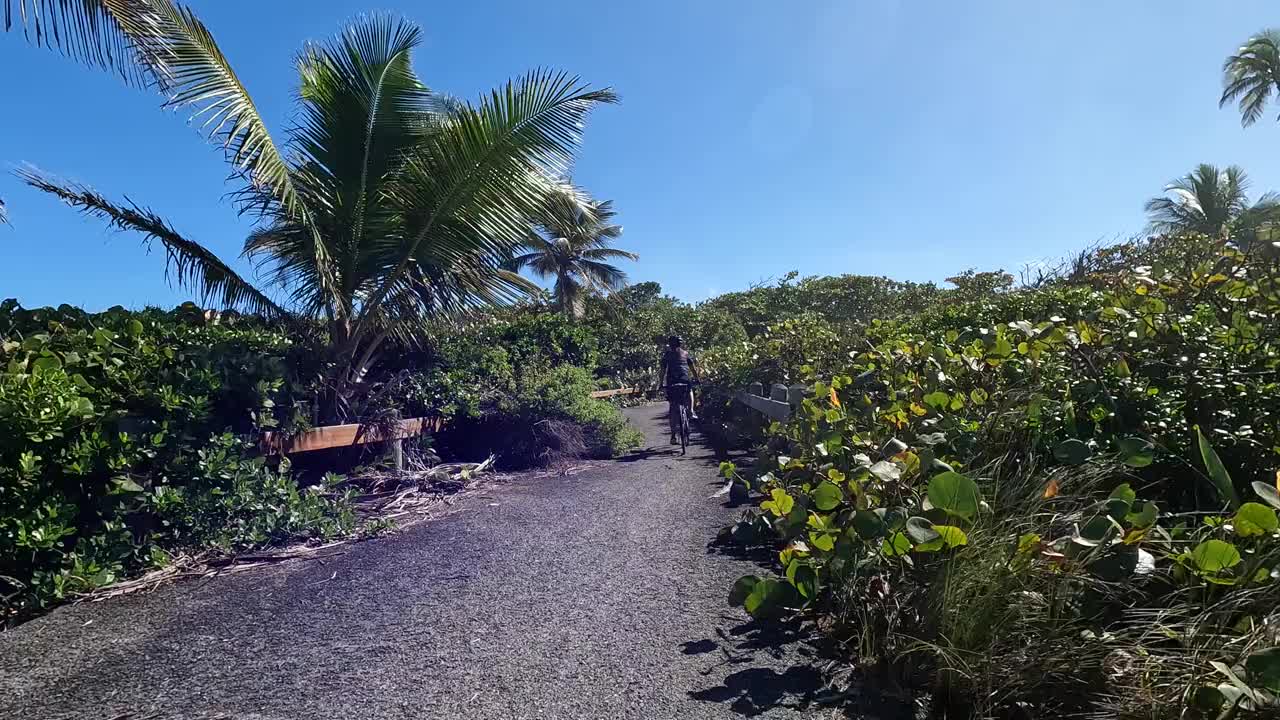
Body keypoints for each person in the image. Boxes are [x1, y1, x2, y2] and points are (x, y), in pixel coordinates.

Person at [655, 335, 700, 445]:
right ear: (680, 344)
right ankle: (691, 411)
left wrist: (661, 384)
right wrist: (697, 379)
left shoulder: (667, 355)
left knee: (673, 408)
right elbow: (692, 368)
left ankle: (673, 436)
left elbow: (662, 371)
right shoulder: (685, 354)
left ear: (670, 345)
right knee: (689, 390)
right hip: (684, 380)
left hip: (672, 382)